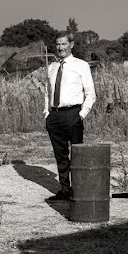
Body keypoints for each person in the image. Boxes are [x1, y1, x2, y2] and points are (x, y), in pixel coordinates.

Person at [44, 31, 96, 201]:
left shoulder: (81, 65)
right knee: (61, 155)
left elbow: (91, 94)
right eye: (58, 44)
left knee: (77, 154)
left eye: (64, 44)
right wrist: (47, 114)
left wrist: (81, 115)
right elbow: (47, 93)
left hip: (73, 114)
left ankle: (79, 190)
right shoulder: (52, 68)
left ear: (71, 45)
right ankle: (65, 189)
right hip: (55, 117)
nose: (60, 47)